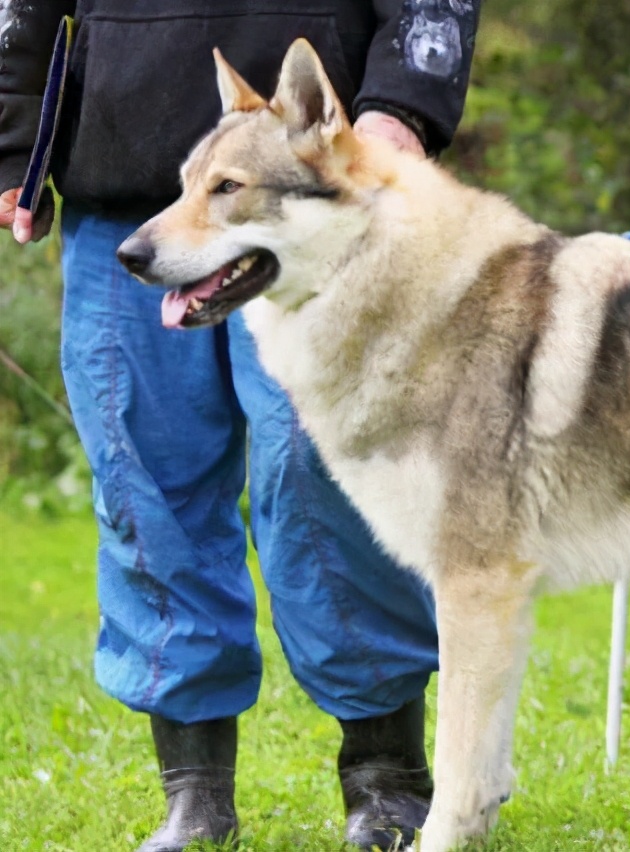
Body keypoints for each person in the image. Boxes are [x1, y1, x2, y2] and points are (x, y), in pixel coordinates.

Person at [0, 2, 480, 849]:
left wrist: (402, 104)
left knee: (319, 474)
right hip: (123, 186)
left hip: (308, 198)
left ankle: (387, 777)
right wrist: (12, 142)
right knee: (142, 486)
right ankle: (196, 797)